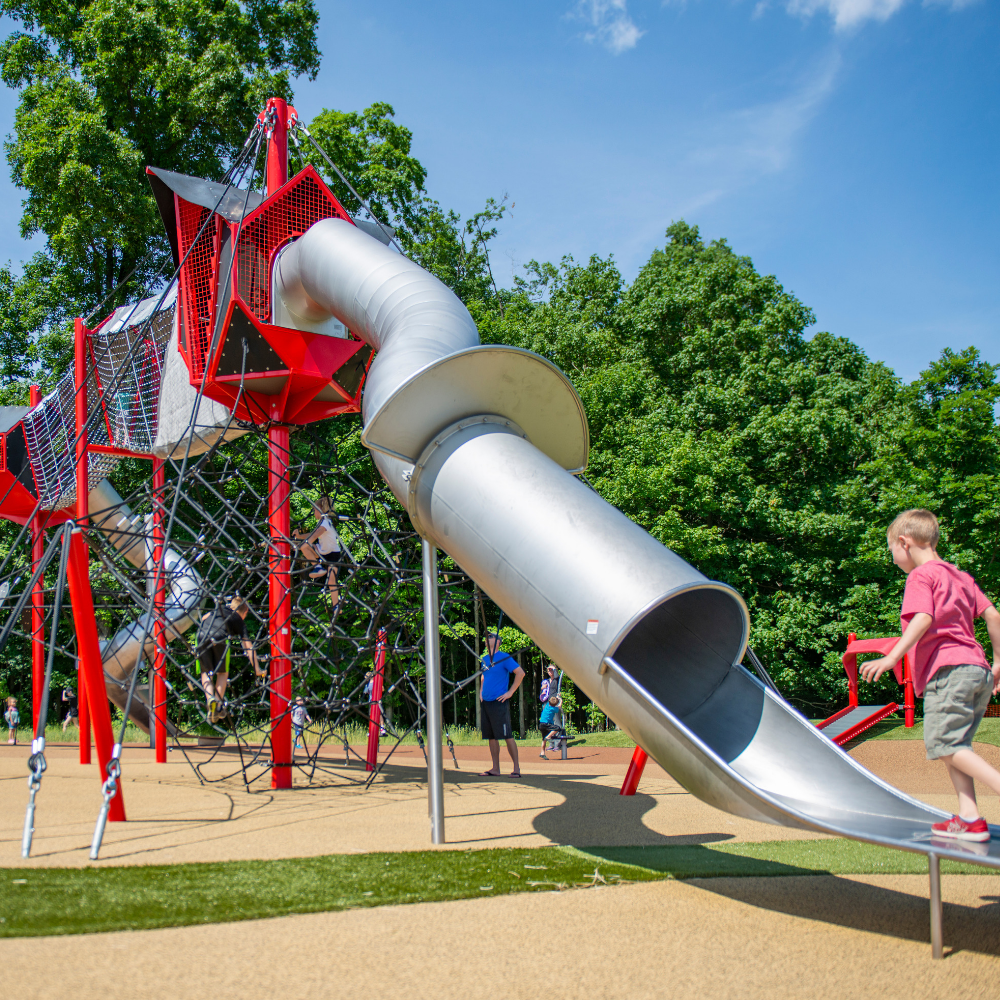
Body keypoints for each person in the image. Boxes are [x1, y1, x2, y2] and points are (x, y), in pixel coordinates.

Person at [860, 509, 1000, 842]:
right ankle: (969, 819)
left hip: (948, 671)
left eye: (891, 549)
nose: (893, 559)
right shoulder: (960, 576)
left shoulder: (921, 577)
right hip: (977, 671)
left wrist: (892, 656)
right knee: (956, 744)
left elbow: (923, 617)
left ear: (904, 542)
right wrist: (998, 663)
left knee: (946, 745)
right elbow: (993, 615)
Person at [195, 596, 263, 723]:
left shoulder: (219, 609)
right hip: (219, 637)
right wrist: (257, 669)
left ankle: (210, 699)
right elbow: (248, 647)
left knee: (206, 672)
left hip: (201, 636)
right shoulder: (238, 620)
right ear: (246, 611)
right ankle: (219, 705)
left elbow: (204, 618)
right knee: (222, 673)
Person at [478, 631, 525, 777]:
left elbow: (520, 673)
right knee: (491, 737)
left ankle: (516, 768)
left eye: (490, 636)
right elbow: (483, 677)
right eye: (486, 637)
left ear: (498, 641)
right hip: (486, 701)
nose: (487, 639)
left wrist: (510, 692)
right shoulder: (484, 659)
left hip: (499, 701)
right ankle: (495, 769)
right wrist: (481, 692)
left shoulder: (504, 657)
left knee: (507, 735)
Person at [294, 498, 346, 611]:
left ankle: (336, 605)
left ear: (321, 509)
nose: (313, 512)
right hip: (322, 551)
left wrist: (300, 545)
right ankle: (317, 567)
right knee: (306, 546)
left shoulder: (325, 522)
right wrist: (299, 537)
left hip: (333, 554)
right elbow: (312, 534)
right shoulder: (322, 522)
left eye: (314, 510)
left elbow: (313, 537)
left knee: (331, 580)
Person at [538, 694, 562, 759]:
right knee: (558, 728)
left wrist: (556, 698)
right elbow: (559, 706)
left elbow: (552, 700)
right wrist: (560, 700)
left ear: (549, 701)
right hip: (546, 724)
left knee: (544, 739)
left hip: (541, 724)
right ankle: (548, 737)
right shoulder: (554, 709)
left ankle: (542, 753)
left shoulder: (547, 706)